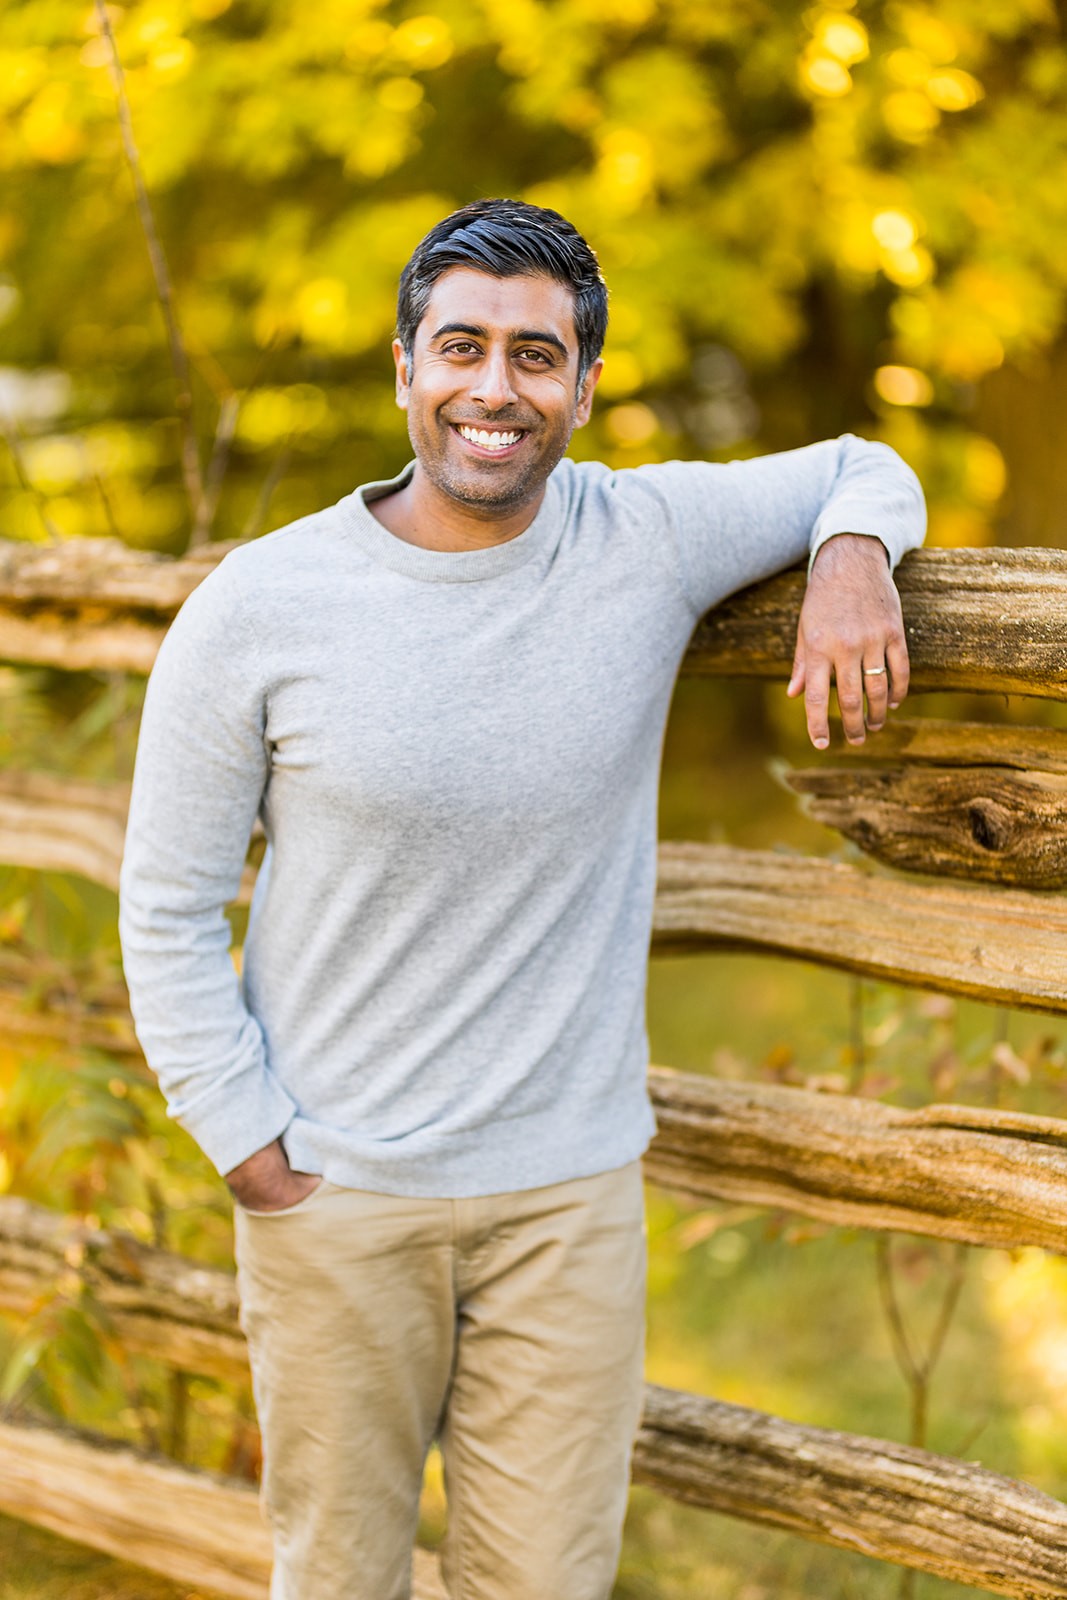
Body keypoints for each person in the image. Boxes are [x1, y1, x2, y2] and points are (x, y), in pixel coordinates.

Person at [119, 197, 925, 1600]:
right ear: (404, 368)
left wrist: (853, 560)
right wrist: (250, 1143)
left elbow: (866, 462)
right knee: (342, 1581)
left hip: (566, 1201)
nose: (496, 389)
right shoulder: (262, 605)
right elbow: (166, 904)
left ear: (585, 386)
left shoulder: (644, 536)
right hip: (337, 1194)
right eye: (462, 347)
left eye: (537, 358)